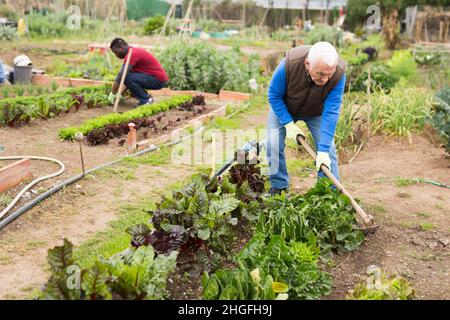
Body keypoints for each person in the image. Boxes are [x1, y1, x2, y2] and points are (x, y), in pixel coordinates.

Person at [266, 41, 347, 195]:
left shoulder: (339, 74)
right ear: (307, 63)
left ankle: (328, 192)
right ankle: (279, 186)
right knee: (272, 143)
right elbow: (273, 95)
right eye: (320, 74)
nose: (324, 80)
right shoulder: (290, 64)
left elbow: (331, 111)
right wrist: (288, 124)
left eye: (328, 75)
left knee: (328, 151)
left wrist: (322, 151)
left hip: (316, 112)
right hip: (285, 107)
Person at [108, 38, 169, 107]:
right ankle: (146, 98)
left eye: (116, 52)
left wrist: (112, 93)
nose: (116, 55)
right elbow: (126, 79)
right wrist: (120, 95)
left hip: (157, 80)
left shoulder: (132, 54)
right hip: (154, 79)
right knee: (128, 77)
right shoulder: (131, 52)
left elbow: (121, 75)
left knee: (126, 77)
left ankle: (146, 100)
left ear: (121, 48)